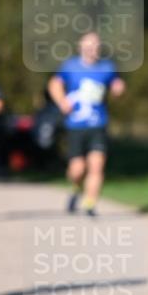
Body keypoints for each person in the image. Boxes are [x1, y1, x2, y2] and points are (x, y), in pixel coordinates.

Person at [48, 31, 125, 215]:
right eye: (88, 45)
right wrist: (62, 102)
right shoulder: (70, 66)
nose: (92, 49)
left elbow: (116, 84)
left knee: (96, 165)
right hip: (75, 125)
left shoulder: (107, 67)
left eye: (96, 45)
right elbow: (54, 84)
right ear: (81, 47)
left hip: (98, 125)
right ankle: (75, 188)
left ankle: (90, 203)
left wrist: (119, 89)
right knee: (77, 169)